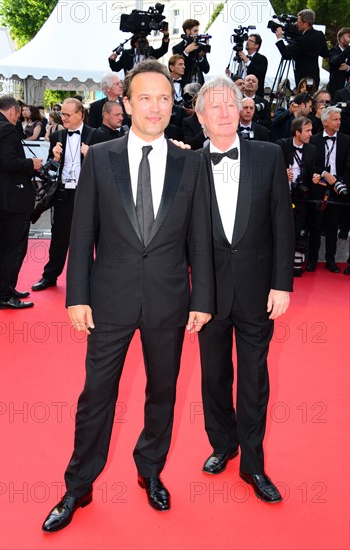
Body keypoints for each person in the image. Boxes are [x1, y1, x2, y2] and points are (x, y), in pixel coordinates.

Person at [41, 59, 214, 532]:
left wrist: (203, 300)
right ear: (126, 102)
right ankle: (77, 486)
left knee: (163, 394)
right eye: (145, 97)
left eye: (163, 98)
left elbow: (199, 238)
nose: (155, 106)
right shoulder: (101, 157)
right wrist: (76, 295)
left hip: (170, 300)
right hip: (109, 299)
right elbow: (83, 231)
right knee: (96, 395)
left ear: (171, 103)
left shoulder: (191, 162)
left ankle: (150, 470)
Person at [195, 76, 294, 503]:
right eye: (213, 107)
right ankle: (223, 444)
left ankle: (254, 464)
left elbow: (282, 225)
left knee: (254, 380)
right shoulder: (188, 165)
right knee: (214, 377)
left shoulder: (269, 155)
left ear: (241, 109)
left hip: (257, 289)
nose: (223, 112)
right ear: (200, 118)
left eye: (229, 104)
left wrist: (282, 284)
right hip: (207, 295)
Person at [31, 98, 95, 290]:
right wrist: (55, 158)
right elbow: (49, 171)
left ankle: (87, 280)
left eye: (67, 115)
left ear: (80, 114)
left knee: (86, 238)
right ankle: (49, 276)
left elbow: (107, 167)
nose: (64, 118)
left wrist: (90, 154)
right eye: (62, 115)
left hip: (87, 195)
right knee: (59, 237)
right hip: (63, 193)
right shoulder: (57, 136)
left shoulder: (96, 135)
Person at [0, 96, 43, 309]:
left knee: (4, 246)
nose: (18, 117)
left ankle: (6, 288)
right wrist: (32, 163)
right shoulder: (7, 129)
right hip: (13, 198)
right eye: (19, 113)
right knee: (14, 248)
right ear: (13, 110)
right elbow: (9, 162)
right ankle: (4, 295)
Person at [307, 106, 350, 273]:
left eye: (339, 119)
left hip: (339, 189)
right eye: (335, 119)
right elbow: (310, 164)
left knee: (333, 226)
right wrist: (324, 174)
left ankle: (331, 260)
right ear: (325, 122)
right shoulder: (314, 140)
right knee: (315, 226)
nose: (339, 122)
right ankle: (312, 260)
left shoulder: (347, 140)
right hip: (319, 188)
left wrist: (340, 183)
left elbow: (348, 166)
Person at [276, 117, 317, 276]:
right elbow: (270, 168)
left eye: (311, 130)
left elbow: (311, 171)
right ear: (297, 132)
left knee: (298, 229)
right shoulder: (282, 145)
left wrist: (315, 178)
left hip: (300, 196)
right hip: (281, 195)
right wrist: (282, 174)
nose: (310, 134)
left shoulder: (312, 149)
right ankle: (278, 263)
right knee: (280, 230)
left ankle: (295, 264)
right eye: (307, 131)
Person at [275, 9, 329, 89]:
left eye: (299, 22)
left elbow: (286, 54)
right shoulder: (319, 35)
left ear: (306, 23)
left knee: (303, 99)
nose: (297, 24)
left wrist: (279, 38)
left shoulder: (302, 39)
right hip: (314, 75)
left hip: (302, 78)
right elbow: (325, 53)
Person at [172, 19, 210, 85]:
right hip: (185, 87)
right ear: (187, 31)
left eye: (197, 31)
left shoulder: (199, 46)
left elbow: (206, 69)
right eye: (195, 31)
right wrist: (186, 52)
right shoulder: (177, 48)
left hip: (199, 86)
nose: (197, 33)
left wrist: (200, 57)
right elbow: (179, 70)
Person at [237, 33, 268, 98]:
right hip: (241, 95)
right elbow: (240, 75)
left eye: (250, 41)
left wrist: (247, 61)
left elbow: (260, 73)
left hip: (255, 96)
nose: (247, 42)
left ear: (256, 45)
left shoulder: (262, 59)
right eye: (247, 40)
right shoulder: (243, 58)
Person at [327, 28, 350, 96]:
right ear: (341, 39)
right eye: (349, 37)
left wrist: (348, 68)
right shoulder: (333, 51)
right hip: (335, 89)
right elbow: (336, 60)